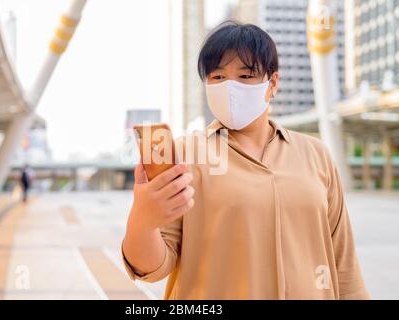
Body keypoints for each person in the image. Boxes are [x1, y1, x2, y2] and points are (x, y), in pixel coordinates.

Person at [122, 21, 370, 299]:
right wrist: (142, 222)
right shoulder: (182, 155)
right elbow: (152, 268)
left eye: (245, 75)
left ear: (272, 83)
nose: (230, 87)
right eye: (217, 77)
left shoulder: (316, 154)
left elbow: (344, 265)